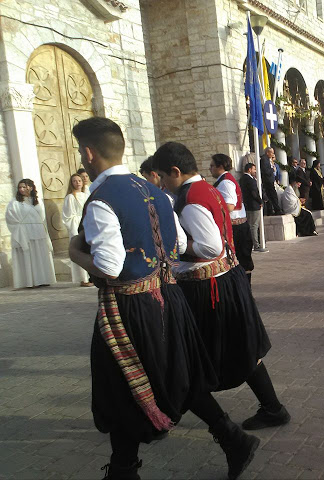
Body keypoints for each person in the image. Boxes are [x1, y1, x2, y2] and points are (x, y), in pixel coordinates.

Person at [69, 118, 259, 480]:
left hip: (129, 307)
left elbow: (109, 266)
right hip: (169, 297)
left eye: (81, 150)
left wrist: (74, 252)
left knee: (124, 384)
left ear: (89, 153)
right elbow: (182, 245)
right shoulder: (155, 191)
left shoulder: (101, 199)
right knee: (178, 373)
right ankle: (232, 438)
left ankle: (124, 471)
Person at [153, 141, 290, 431]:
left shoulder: (190, 199)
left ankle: (225, 429)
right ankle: (272, 408)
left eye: (164, 177)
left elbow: (208, 245)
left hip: (209, 288)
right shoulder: (208, 188)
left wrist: (173, 247)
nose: (163, 184)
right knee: (243, 348)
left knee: (191, 357)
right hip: (224, 280)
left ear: (175, 172)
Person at [209, 153, 255, 285]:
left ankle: (245, 291)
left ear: (221, 166)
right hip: (238, 226)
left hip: (236, 227)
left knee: (240, 261)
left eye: (212, 166)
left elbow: (229, 205)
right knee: (240, 260)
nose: (210, 169)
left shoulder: (225, 183)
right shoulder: (225, 180)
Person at [5, 179, 57, 289]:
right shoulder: (15, 202)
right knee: (29, 256)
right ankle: (30, 281)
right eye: (20, 187)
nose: (21, 189)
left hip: (38, 230)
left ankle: (43, 279)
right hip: (25, 231)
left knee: (39, 255)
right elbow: (10, 217)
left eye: (24, 187)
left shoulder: (37, 201)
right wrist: (19, 227)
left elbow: (42, 217)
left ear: (31, 187)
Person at [62, 173, 92, 286]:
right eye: (74, 181)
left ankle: (90, 277)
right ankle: (83, 279)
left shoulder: (86, 195)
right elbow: (67, 216)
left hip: (87, 223)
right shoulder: (70, 197)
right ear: (71, 183)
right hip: (76, 224)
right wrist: (74, 228)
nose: (78, 182)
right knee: (80, 250)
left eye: (79, 180)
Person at [239, 162, 266, 252]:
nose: (255, 171)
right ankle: (256, 244)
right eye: (254, 169)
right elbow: (254, 193)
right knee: (254, 225)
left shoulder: (242, 179)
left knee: (251, 225)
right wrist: (260, 201)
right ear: (249, 169)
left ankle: (253, 242)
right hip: (254, 205)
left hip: (247, 205)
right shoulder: (250, 180)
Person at [259, 147, 283, 215]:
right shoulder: (264, 160)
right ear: (267, 152)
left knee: (271, 196)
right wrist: (273, 170)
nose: (273, 154)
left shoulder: (267, 159)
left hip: (270, 180)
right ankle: (276, 210)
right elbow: (265, 171)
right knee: (272, 196)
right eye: (271, 152)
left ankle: (273, 210)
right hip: (268, 181)